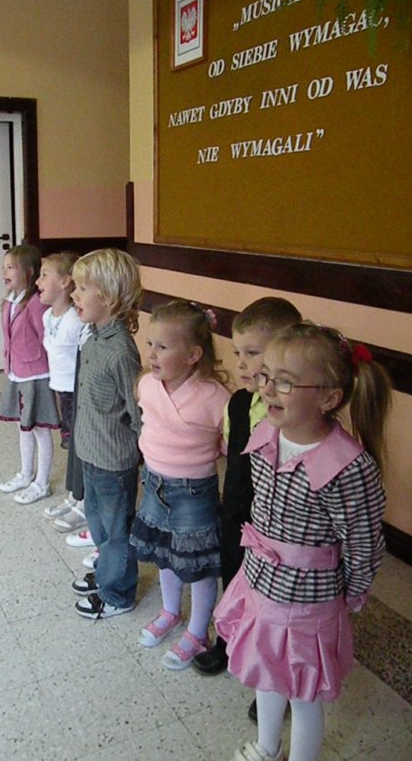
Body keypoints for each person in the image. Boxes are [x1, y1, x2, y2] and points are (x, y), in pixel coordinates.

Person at [215, 321, 392, 761]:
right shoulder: (266, 433)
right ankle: (267, 746)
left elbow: (364, 543)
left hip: (308, 601)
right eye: (266, 376)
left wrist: (352, 592)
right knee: (267, 674)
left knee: (303, 693)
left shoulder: (347, 467)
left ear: (329, 399)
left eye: (285, 382)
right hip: (260, 582)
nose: (267, 388)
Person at [193, 297, 301, 683]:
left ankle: (271, 676)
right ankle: (229, 641)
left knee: (270, 602)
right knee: (233, 577)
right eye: (237, 352)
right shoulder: (238, 403)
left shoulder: (295, 414)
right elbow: (230, 453)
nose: (240, 363)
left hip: (276, 529)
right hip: (236, 514)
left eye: (252, 353)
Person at [129, 300, 231, 669]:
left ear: (193, 355)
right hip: (154, 483)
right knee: (165, 555)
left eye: (163, 347)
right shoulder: (147, 384)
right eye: (150, 344)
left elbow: (229, 444)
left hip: (194, 493)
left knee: (198, 566)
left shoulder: (215, 397)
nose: (152, 354)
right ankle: (171, 611)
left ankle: (198, 631)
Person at [70, 248, 143, 619]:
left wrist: (149, 461)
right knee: (98, 526)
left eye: (83, 288)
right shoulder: (93, 337)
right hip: (90, 453)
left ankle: (118, 593)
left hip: (114, 462)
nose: (73, 294)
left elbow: (138, 412)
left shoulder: (121, 351)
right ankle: (107, 572)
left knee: (117, 532)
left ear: (110, 297)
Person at [0, 244, 59, 505]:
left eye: (11, 267)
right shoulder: (9, 301)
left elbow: (46, 340)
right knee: (23, 426)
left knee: (40, 429)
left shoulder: (35, 304)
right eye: (3, 267)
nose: (4, 272)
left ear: (30, 272)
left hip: (36, 373)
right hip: (17, 371)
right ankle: (25, 473)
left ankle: (41, 483)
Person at [35, 252, 84, 523]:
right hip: (61, 391)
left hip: (78, 393)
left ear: (65, 282)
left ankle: (84, 502)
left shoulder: (75, 320)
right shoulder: (47, 317)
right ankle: (75, 495)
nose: (38, 281)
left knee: (81, 448)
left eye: (45, 275)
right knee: (71, 446)